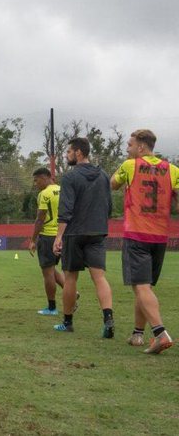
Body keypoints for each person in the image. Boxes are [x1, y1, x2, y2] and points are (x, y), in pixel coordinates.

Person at [111, 129, 177, 354]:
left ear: (141, 147)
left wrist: (128, 165)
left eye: (129, 145)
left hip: (136, 234)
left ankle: (160, 333)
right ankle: (137, 334)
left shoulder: (130, 165)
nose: (127, 149)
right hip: (160, 236)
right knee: (144, 286)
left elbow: (112, 184)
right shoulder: (173, 170)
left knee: (140, 286)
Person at [52, 137, 115, 338]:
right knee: (99, 277)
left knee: (70, 278)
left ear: (79, 152)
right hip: (97, 231)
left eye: (69, 151)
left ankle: (67, 322)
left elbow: (65, 210)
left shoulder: (70, 178)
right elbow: (109, 207)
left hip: (74, 233)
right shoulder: (104, 175)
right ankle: (108, 319)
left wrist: (58, 237)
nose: (66, 154)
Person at [28, 167, 66, 316]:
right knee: (55, 269)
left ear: (44, 178)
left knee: (47, 273)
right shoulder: (64, 190)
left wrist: (33, 240)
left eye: (36, 180)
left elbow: (40, 218)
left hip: (48, 236)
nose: (36, 184)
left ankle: (51, 308)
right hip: (64, 236)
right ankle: (72, 293)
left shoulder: (44, 194)